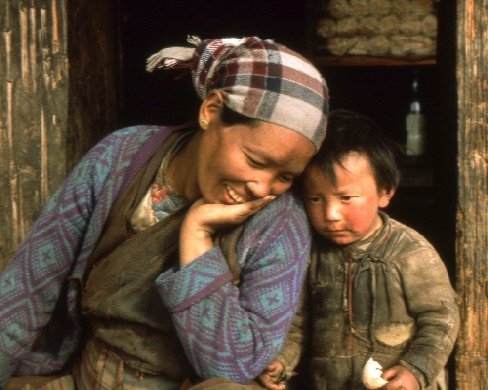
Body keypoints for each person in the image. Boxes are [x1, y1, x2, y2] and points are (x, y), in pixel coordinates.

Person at [0, 36, 329, 389]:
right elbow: (28, 290)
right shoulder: (121, 156)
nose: (262, 188)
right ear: (211, 111)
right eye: (255, 161)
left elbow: (234, 367)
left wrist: (197, 235)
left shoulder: (280, 224)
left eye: (285, 176)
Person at [259, 110, 459, 390]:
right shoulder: (308, 254)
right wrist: (282, 362)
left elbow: (442, 319)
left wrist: (415, 370)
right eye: (315, 199)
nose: (330, 214)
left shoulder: (410, 252)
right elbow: (298, 327)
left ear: (386, 191)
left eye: (346, 198)